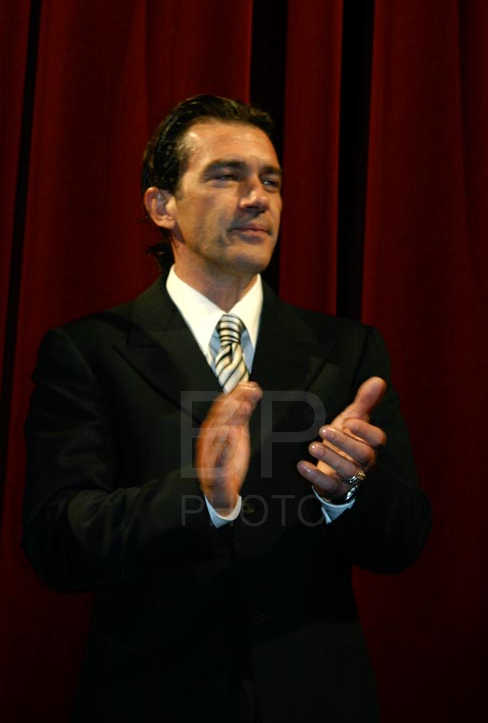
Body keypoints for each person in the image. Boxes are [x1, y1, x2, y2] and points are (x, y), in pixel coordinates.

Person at [22, 94, 431, 722]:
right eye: (225, 176)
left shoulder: (347, 351)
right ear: (162, 206)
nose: (257, 198)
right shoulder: (90, 351)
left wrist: (348, 493)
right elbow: (58, 543)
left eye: (271, 181)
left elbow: (403, 542)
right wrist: (202, 496)